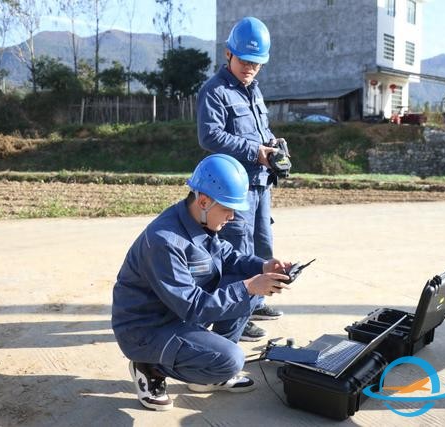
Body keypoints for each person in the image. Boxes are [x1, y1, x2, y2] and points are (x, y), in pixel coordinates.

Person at [112, 154, 292, 411]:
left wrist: (262, 266)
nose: (232, 216)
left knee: (246, 285)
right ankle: (148, 366)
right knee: (232, 359)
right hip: (147, 329)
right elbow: (193, 307)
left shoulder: (197, 218)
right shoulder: (164, 241)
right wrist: (250, 287)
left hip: (176, 314)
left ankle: (206, 372)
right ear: (204, 201)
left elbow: (227, 256)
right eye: (228, 209)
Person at [197, 16, 284, 342]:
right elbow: (209, 136)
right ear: (228, 54)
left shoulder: (254, 91)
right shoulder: (214, 91)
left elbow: (261, 132)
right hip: (233, 188)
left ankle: (255, 302)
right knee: (236, 250)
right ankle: (235, 317)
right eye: (245, 61)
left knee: (261, 246)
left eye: (257, 63)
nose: (250, 68)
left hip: (260, 183)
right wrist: (254, 151)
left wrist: (274, 146)